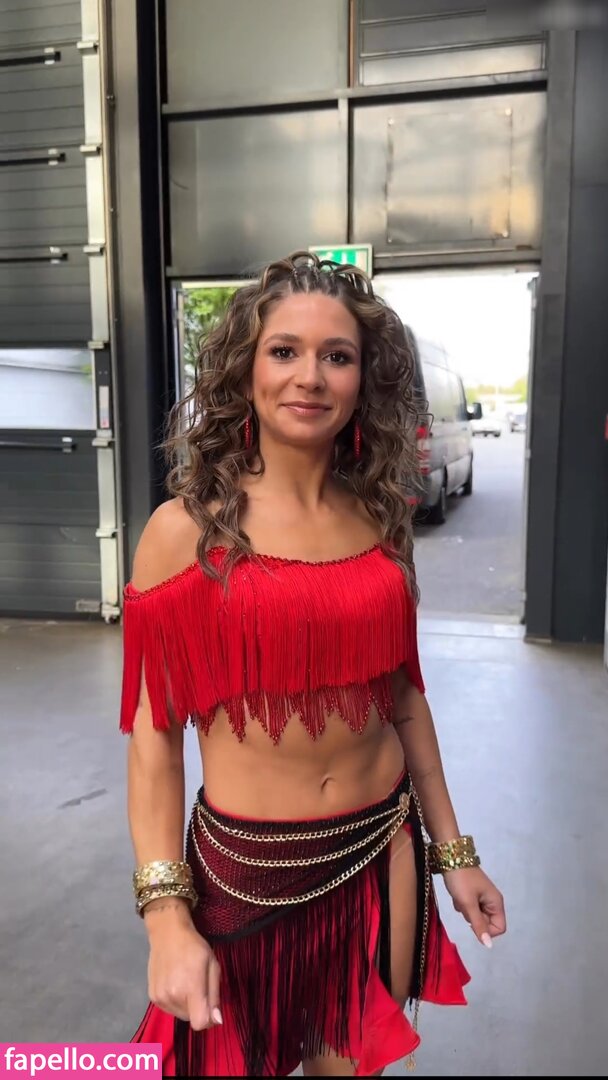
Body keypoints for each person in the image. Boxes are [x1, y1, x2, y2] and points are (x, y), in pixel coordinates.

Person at [120, 252, 506, 1077]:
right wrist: (165, 918)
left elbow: (405, 700)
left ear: (364, 380)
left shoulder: (381, 519)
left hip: (380, 849)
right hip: (243, 877)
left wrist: (454, 853)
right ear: (245, 369)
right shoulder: (183, 532)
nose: (311, 377)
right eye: (284, 351)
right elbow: (154, 737)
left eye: (337, 356)